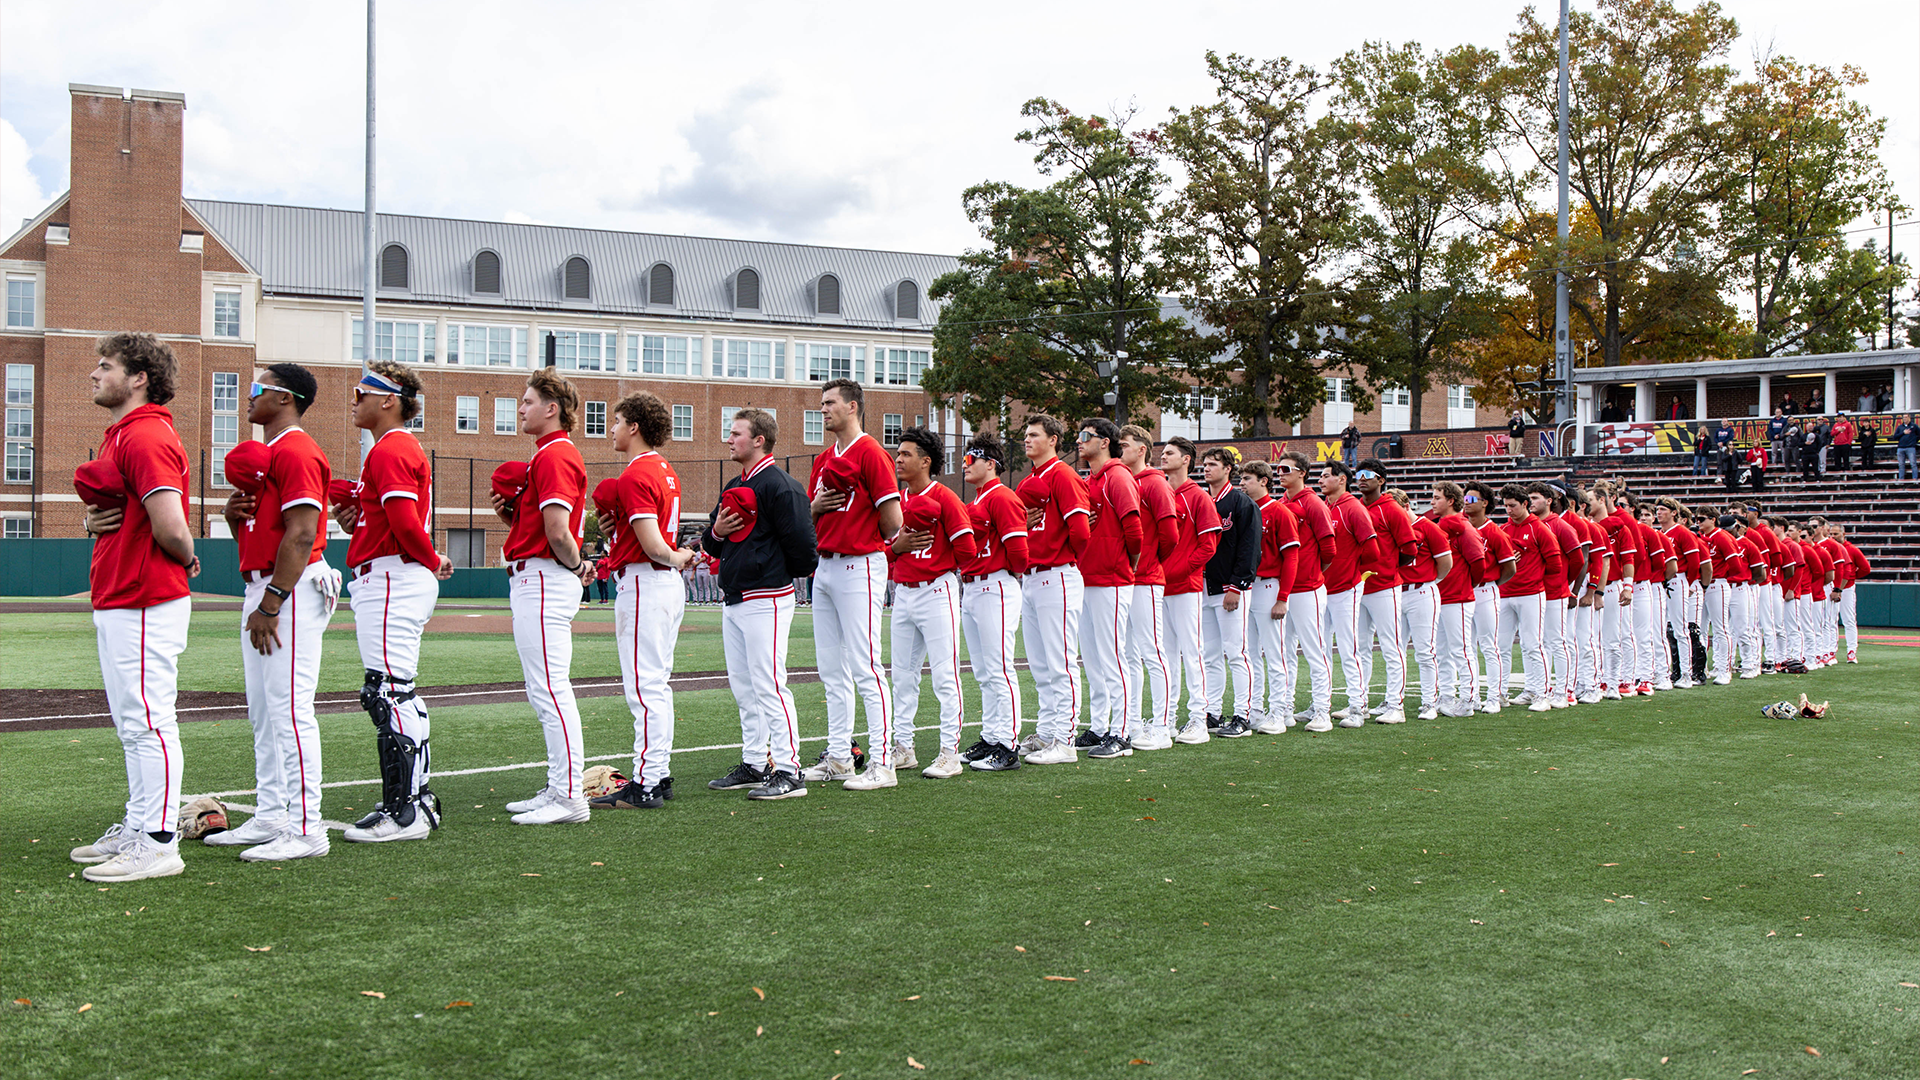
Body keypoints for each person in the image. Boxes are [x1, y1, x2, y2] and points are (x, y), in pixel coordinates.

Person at [70, 333, 201, 882]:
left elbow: (170, 525)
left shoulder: (145, 434)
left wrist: (188, 556)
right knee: (133, 724)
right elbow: (124, 515)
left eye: (106, 366)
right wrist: (91, 521)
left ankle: (160, 842)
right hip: (124, 592)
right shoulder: (123, 434)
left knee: (149, 721)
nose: (95, 374)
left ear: (139, 377)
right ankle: (140, 824)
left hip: (145, 595)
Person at [213, 363, 339, 861]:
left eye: (257, 388)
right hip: (267, 586)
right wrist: (231, 519)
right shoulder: (267, 455)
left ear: (285, 398)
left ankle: (308, 829)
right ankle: (270, 815)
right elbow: (262, 535)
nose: (248, 396)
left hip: (290, 589)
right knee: (264, 713)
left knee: (290, 710)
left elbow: (303, 534)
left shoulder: (296, 450)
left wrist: (272, 601)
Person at [336, 362, 454, 844]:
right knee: (392, 691)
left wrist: (431, 558)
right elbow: (388, 518)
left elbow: (405, 523)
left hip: (393, 577)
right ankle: (413, 801)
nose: (354, 401)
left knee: (388, 693)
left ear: (388, 400)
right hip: (391, 575)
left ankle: (407, 812)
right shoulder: (389, 448)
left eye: (361, 392)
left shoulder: (392, 447)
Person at [588, 391, 696, 812]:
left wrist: (679, 556)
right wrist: (617, 532)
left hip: (647, 582)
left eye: (617, 421)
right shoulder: (664, 468)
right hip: (661, 585)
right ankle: (658, 774)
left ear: (634, 427)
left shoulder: (636, 473)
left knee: (645, 688)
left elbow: (653, 546)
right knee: (656, 685)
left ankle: (647, 782)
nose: (612, 429)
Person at [704, 409, 818, 799]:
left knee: (769, 684)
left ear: (758, 440)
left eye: (736, 433)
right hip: (736, 597)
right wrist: (717, 531)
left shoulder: (782, 486)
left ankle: (789, 770)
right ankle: (755, 762)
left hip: (766, 596)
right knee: (744, 687)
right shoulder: (736, 483)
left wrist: (771, 571)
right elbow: (710, 543)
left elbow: (804, 549)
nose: (728, 439)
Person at [495, 369, 592, 825]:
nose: (521, 408)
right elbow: (544, 527)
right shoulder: (549, 454)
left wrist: (576, 564)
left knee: (550, 690)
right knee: (545, 690)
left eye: (528, 401)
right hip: (540, 576)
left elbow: (557, 532)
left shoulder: (555, 454)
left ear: (552, 409)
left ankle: (569, 797)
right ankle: (559, 786)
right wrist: (513, 519)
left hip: (544, 578)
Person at [801, 379, 906, 786]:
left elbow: (893, 521)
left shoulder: (872, 452)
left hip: (860, 562)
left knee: (866, 665)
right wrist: (815, 506)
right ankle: (840, 756)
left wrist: (861, 524)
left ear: (853, 406)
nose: (823, 409)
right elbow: (809, 519)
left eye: (830, 403)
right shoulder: (825, 458)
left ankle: (882, 762)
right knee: (831, 669)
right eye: (822, 403)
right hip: (826, 565)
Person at [880, 426, 976, 782]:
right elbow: (883, 553)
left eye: (906, 454)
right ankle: (903, 747)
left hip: (936, 590)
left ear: (926, 461)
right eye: (898, 453)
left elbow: (967, 550)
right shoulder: (896, 502)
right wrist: (897, 548)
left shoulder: (946, 498)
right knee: (902, 676)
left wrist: (940, 561)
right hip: (903, 593)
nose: (898, 459)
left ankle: (950, 753)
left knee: (944, 675)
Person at [1016, 415, 1091, 764]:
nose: (1027, 439)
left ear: (1053, 439)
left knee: (1060, 661)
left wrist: (1062, 556)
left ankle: (1065, 739)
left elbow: (1080, 532)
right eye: (1026, 434)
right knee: (1040, 663)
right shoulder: (1029, 480)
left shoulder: (1063, 475)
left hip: (1058, 573)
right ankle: (1047, 731)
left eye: (1034, 434)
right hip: (1032, 577)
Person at [955, 434, 1029, 773]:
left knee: (999, 668)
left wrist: (1003, 573)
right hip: (973, 586)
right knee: (985, 672)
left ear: (990, 463)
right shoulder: (980, 498)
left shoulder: (1002, 496)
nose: (965, 465)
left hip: (995, 584)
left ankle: (1008, 745)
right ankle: (991, 736)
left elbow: (1019, 555)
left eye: (971, 460)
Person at [1071, 418, 1143, 757]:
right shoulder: (1091, 479)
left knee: (1113, 657)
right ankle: (1100, 726)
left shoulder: (1118, 475)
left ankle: (1123, 732)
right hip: (1088, 577)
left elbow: (1134, 530)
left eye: (1085, 435)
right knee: (1094, 659)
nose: (1079, 440)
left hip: (1111, 578)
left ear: (1104, 442)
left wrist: (1129, 563)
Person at [1118, 425, 1179, 751]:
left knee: (1153, 652)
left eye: (1125, 445)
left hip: (1146, 579)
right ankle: (1133, 722)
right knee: (1129, 655)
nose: (1120, 449)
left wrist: (1150, 561)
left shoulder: (1154, 482)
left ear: (1142, 449)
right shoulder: (1124, 479)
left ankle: (1162, 726)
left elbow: (1170, 535)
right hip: (1125, 579)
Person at [1159, 438, 1222, 744]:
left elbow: (1208, 546)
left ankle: (1199, 718)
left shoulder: (1198, 496)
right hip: (1159, 587)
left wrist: (1179, 570)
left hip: (1185, 587)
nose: (1163, 456)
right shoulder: (1159, 491)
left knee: (1192, 652)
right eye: (1162, 452)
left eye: (1169, 453)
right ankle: (1167, 719)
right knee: (1166, 655)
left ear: (1186, 459)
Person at [1276, 451, 1337, 731]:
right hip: (1283, 588)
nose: (1280, 473)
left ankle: (1322, 710)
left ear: (1302, 472)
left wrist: (1313, 571)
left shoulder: (1313, 503)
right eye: (1278, 469)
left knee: (1314, 649)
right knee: (1284, 650)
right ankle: (1285, 707)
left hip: (1307, 588)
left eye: (1286, 469)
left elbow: (1329, 549)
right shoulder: (1281, 503)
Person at [1352, 461, 1417, 723]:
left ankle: (1395, 705)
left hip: (1384, 586)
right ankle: (1360, 702)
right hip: (1358, 586)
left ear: (1381, 480)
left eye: (1368, 475)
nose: (1362, 478)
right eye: (1358, 474)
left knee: (1391, 646)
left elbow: (1410, 549)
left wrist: (1388, 567)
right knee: (1359, 647)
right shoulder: (1356, 506)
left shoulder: (1392, 509)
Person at [1201, 448, 1260, 737]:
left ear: (1228, 469)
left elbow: (1250, 549)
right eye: (1205, 464)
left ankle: (1242, 715)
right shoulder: (1202, 500)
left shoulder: (1242, 503)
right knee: (1210, 655)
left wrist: (1237, 586)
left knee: (1237, 653)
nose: (1206, 469)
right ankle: (1212, 712)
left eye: (1213, 464)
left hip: (1230, 589)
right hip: (1204, 587)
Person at [1239, 462, 1298, 734]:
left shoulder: (1279, 511)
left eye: (1247, 478)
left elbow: (1291, 557)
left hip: (1269, 586)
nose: (1242, 483)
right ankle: (1256, 710)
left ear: (1264, 481)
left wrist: (1283, 597)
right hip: (1247, 587)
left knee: (1275, 653)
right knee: (1250, 653)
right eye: (1241, 478)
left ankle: (1279, 712)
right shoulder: (1245, 510)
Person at [1497, 483, 1563, 712]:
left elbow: (1555, 564)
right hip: (1506, 593)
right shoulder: (1504, 529)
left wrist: (1532, 574)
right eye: (1506, 506)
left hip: (1531, 593)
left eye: (1513, 506)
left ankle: (1542, 694)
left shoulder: (1539, 529)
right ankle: (1500, 693)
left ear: (1525, 504)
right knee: (1501, 646)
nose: (1509, 510)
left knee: (1533, 644)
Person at [1386, 487, 1451, 720]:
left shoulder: (1427, 527)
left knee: (1425, 651)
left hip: (1421, 590)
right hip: (1395, 591)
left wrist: (1430, 581)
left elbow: (1446, 562)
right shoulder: (1392, 527)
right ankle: (1393, 700)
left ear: (1406, 506)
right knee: (1395, 650)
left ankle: (1429, 702)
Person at [1426, 481, 1487, 717]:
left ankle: (1470, 699)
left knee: (1461, 650)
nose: (1432, 502)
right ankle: (1447, 695)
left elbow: (1478, 563)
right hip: (1443, 596)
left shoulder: (1462, 527)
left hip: (1458, 597)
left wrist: (1466, 585)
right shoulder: (1447, 525)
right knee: (1442, 650)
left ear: (1451, 501)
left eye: (1437, 497)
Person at [1461, 481, 1517, 711]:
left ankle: (1494, 697)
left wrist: (1493, 584)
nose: (1466, 503)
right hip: (1465, 591)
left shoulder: (1494, 532)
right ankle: (1472, 696)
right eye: (1464, 499)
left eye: (1471, 499)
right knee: (1467, 647)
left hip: (1486, 590)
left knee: (1489, 646)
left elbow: (1509, 568)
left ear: (1484, 503)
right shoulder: (1461, 527)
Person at [1831, 523, 1870, 663]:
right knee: (1830, 620)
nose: (1833, 536)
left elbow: (1865, 568)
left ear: (1843, 534)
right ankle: (1830, 651)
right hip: (1831, 587)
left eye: (1836, 534)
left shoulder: (1852, 549)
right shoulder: (1829, 547)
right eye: (1831, 534)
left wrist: (1852, 577)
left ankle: (1851, 651)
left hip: (1847, 588)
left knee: (1848, 619)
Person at [1894, 415, 1918, 480]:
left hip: (1910, 447)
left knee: (1913, 463)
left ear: (1909, 418)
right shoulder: (1900, 427)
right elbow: (1895, 437)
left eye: (1906, 417)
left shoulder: (1914, 426)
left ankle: (1915, 478)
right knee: (1901, 464)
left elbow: (1918, 434)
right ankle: (1901, 479)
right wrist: (1903, 433)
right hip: (1901, 448)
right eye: (1903, 417)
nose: (1904, 418)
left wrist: (1914, 441)